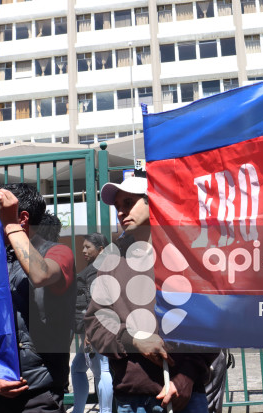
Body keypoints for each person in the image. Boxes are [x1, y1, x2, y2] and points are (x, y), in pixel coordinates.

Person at [85, 176, 215, 413]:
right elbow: (94, 324)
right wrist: (132, 340)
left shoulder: (187, 257)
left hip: (181, 396)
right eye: (117, 207)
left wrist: (187, 377)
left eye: (128, 203)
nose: (121, 212)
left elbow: (211, 324)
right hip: (131, 398)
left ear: (152, 202)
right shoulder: (110, 262)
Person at [0, 184, 76, 413]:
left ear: (23, 218)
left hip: (39, 394)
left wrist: (10, 224)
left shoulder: (57, 252)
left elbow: (40, 274)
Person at [71, 232, 113, 413]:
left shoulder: (98, 272)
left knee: (102, 370)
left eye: (88, 247)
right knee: (78, 367)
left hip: (98, 331)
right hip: (95, 329)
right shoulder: (98, 269)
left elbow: (97, 302)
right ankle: (78, 410)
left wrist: (89, 331)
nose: (83, 251)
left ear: (101, 249)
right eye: (83, 247)